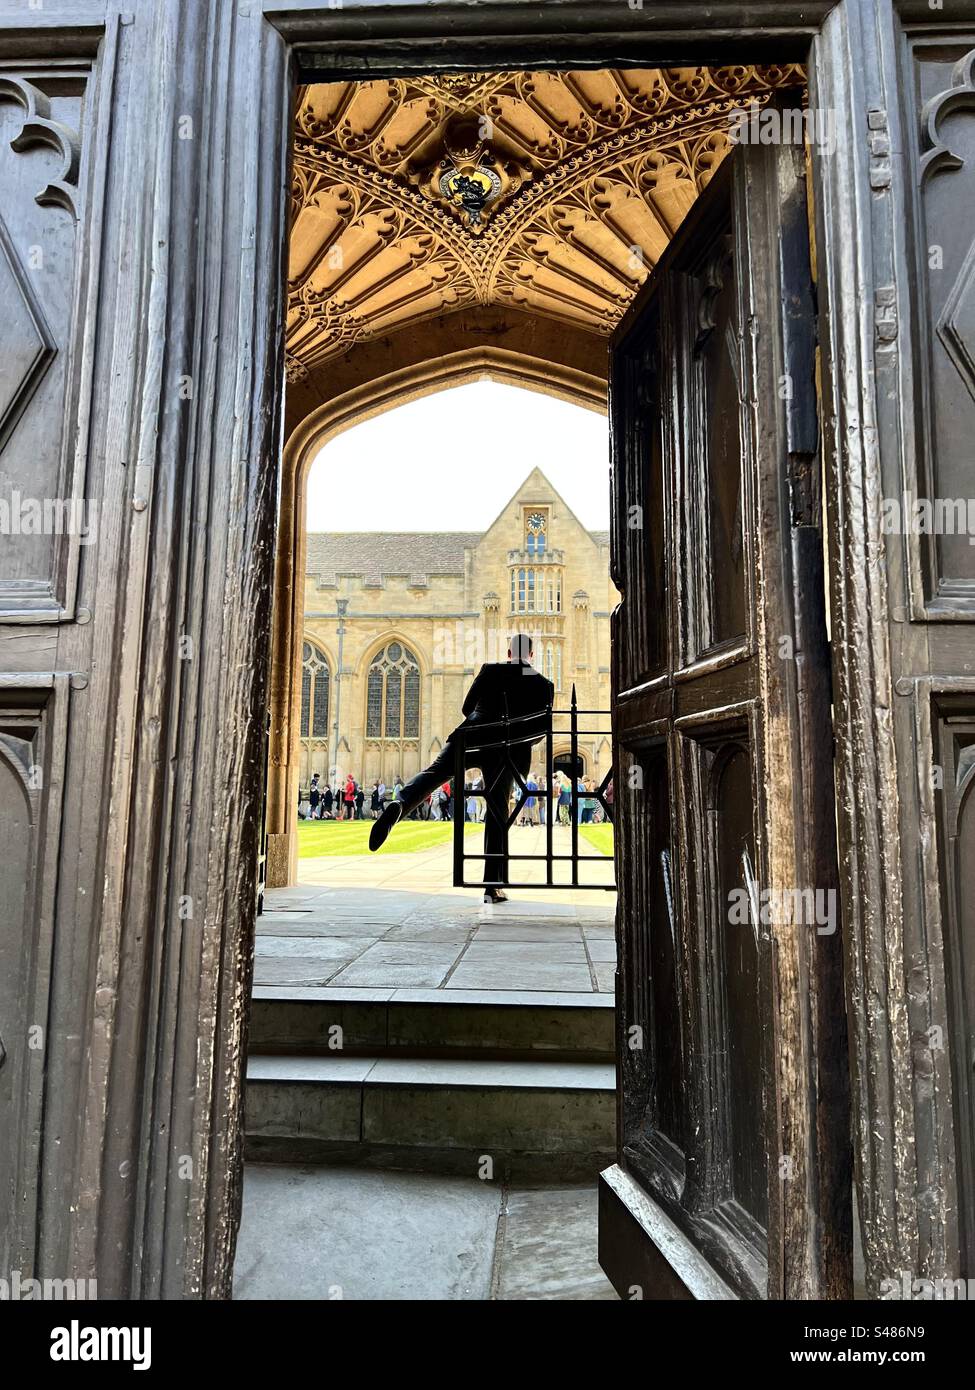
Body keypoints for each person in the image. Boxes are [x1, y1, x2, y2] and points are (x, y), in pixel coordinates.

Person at [369, 634, 554, 902]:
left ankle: (400, 804)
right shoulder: (542, 684)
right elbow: (541, 730)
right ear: (533, 654)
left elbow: (467, 707)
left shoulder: (491, 670)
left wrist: (483, 722)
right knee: (497, 813)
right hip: (507, 751)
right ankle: (493, 884)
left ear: (509, 651)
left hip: (472, 736)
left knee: (434, 774)